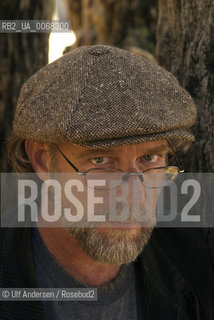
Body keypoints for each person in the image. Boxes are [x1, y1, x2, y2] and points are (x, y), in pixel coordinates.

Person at [0, 45, 213, 320]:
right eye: (100, 161)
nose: (134, 197)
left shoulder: (189, 262)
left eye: (150, 158)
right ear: (42, 159)